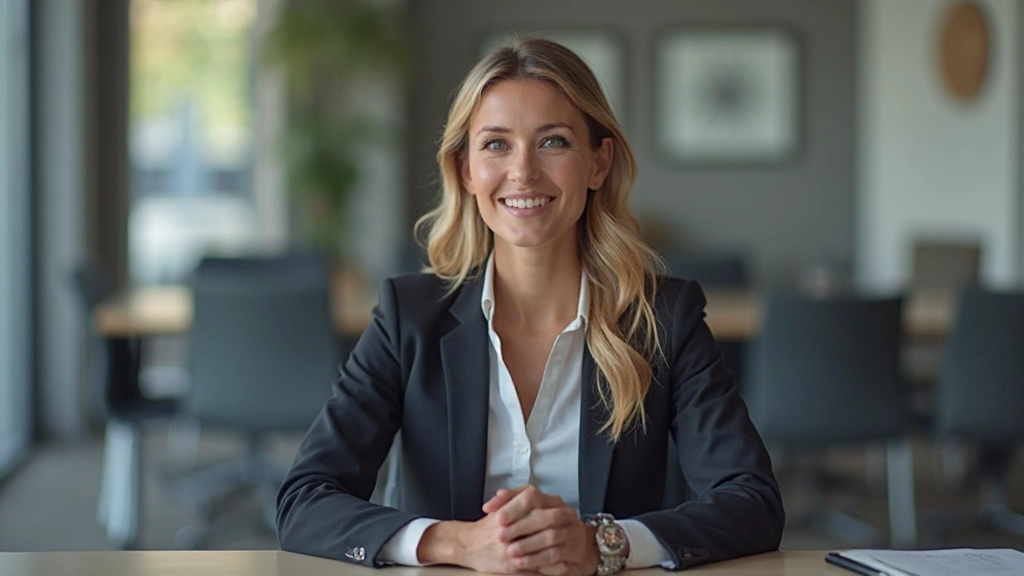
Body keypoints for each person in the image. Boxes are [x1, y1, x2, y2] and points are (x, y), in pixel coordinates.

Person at [277, 37, 784, 574]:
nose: (522, 172)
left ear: (598, 163)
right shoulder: (409, 317)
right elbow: (304, 501)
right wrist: (457, 544)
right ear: (466, 169)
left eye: (553, 142)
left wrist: (602, 543)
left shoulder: (663, 319)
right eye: (496, 144)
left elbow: (752, 502)